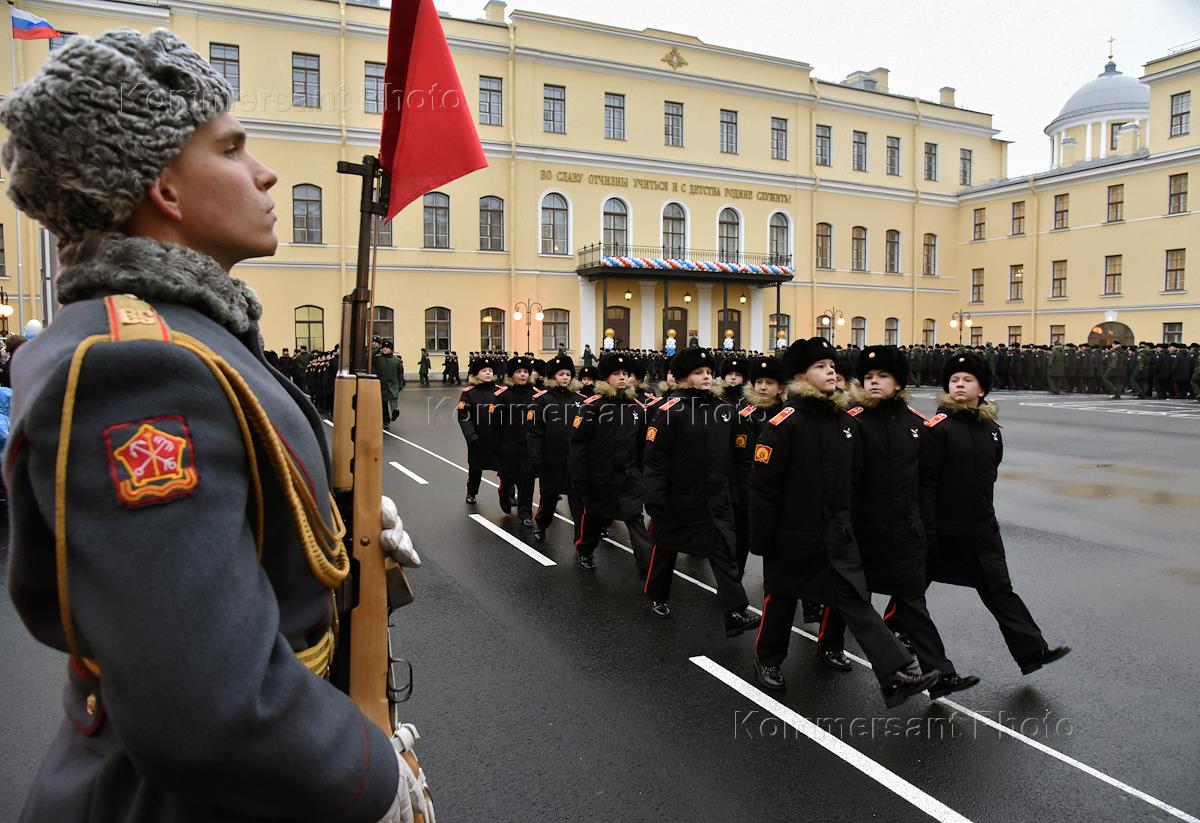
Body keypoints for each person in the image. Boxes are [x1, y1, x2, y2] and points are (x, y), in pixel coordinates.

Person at [0, 28, 427, 822]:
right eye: (231, 148)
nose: (264, 172)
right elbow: (206, 706)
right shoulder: (135, 368)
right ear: (163, 185)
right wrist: (373, 779)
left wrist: (331, 526)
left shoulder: (183, 331)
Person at [749, 338, 938, 706]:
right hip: (792, 534)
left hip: (836, 534)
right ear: (801, 375)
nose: (831, 371)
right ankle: (768, 661)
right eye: (821, 366)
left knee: (854, 599)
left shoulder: (843, 423)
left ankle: (894, 674)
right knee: (782, 599)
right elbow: (762, 489)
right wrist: (763, 539)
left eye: (832, 365)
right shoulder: (784, 423)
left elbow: (852, 481)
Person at [835, 346, 979, 699]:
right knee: (851, 599)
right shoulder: (852, 422)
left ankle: (941, 675)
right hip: (864, 530)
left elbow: (927, 482)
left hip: (904, 531)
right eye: (868, 377)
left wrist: (925, 528)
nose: (873, 383)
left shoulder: (917, 425)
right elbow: (845, 482)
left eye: (882, 377)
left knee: (912, 604)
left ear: (898, 382)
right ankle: (828, 645)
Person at [917, 352, 1070, 677]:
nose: (959, 384)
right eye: (954, 380)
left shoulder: (991, 430)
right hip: (944, 527)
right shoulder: (938, 429)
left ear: (981, 389)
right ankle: (908, 648)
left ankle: (1032, 651)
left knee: (998, 588)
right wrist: (928, 529)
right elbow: (926, 483)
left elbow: (991, 472)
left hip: (981, 527)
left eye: (967, 380)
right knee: (912, 593)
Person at [642, 348, 760, 636]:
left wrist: (737, 491)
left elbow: (738, 454)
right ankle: (657, 596)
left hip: (714, 497)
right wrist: (654, 497)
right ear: (684, 378)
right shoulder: (670, 412)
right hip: (678, 497)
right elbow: (655, 460)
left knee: (723, 552)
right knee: (665, 549)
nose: (706, 377)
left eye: (709, 372)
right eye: (699, 373)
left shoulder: (724, 410)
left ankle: (734, 611)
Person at [568, 352, 653, 574]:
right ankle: (585, 551)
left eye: (625, 373)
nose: (623, 378)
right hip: (600, 477)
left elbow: (642, 445)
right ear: (606, 378)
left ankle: (647, 570)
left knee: (635, 519)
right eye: (617, 374)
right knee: (595, 517)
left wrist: (641, 474)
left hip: (628, 477)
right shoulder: (592, 406)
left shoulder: (636, 407)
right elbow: (578, 445)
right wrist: (580, 477)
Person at [732, 355, 785, 579]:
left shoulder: (786, 412)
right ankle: (732, 585)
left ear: (780, 387)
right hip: (750, 489)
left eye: (769, 383)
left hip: (780, 491)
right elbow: (743, 459)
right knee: (741, 540)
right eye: (759, 382)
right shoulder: (746, 414)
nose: (763, 387)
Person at [528, 355, 585, 543]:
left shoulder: (580, 400)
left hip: (575, 461)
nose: (565, 377)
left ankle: (581, 541)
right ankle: (542, 525)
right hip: (551, 460)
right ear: (553, 376)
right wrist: (536, 458)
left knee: (578, 503)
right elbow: (535, 432)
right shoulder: (542, 400)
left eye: (568, 374)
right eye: (561, 374)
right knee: (549, 498)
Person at [496, 355, 539, 525]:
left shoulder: (537, 395)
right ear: (512, 375)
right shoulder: (502, 395)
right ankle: (504, 495)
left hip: (529, 445)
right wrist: (497, 447)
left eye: (525, 372)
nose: (522, 375)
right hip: (508, 445)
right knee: (508, 478)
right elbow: (495, 423)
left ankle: (525, 513)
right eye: (518, 372)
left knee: (527, 481)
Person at [458, 355, 503, 504]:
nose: (488, 373)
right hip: (478, 437)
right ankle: (471, 492)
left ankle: (507, 493)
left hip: (499, 438)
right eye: (484, 370)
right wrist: (471, 436)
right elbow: (463, 416)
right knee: (475, 468)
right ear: (476, 374)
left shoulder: (501, 392)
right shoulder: (469, 393)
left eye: (490, 370)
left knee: (505, 468)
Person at [373, 339, 403, 424]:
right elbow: (368, 357)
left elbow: (400, 373)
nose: (385, 349)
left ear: (391, 349)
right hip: (382, 385)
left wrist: (401, 384)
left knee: (393, 399)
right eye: (383, 347)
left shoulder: (396, 361)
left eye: (387, 347)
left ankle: (394, 412)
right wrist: (377, 349)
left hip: (393, 384)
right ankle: (386, 421)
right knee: (383, 404)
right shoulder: (378, 359)